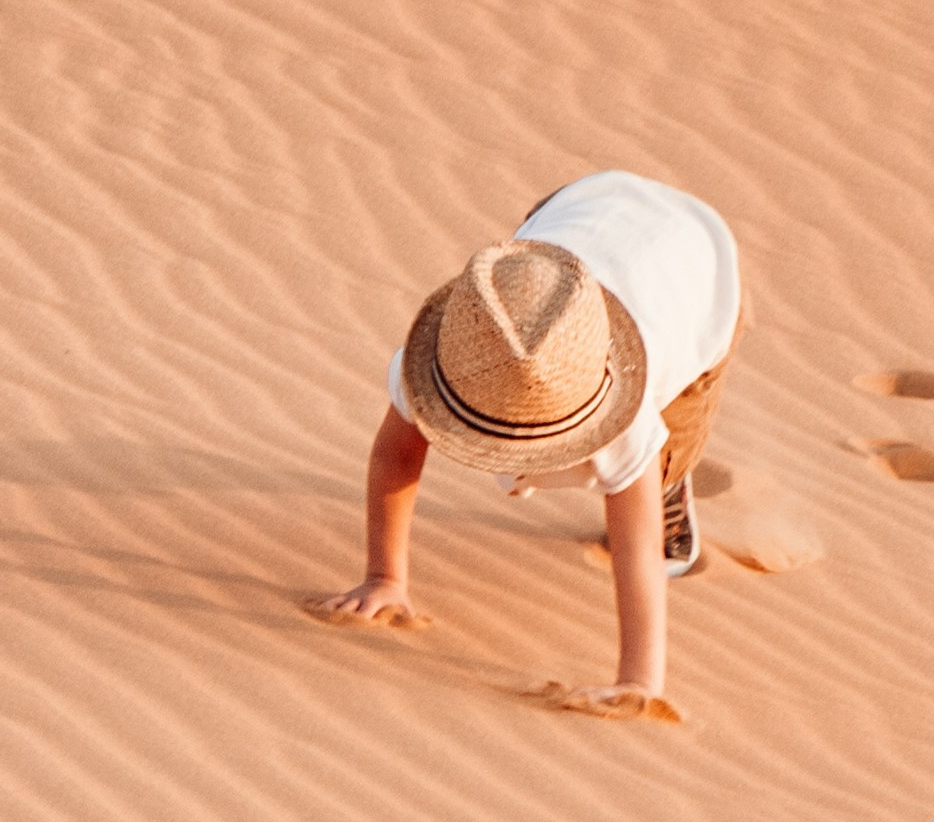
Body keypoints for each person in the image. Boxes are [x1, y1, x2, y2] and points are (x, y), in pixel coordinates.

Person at [307, 169, 742, 720]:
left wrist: (638, 680)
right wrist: (385, 578)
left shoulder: (625, 415)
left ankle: (671, 491)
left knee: (667, 449)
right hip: (584, 207)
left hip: (700, 266)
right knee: (522, 310)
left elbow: (636, 552)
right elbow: (396, 456)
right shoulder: (451, 354)